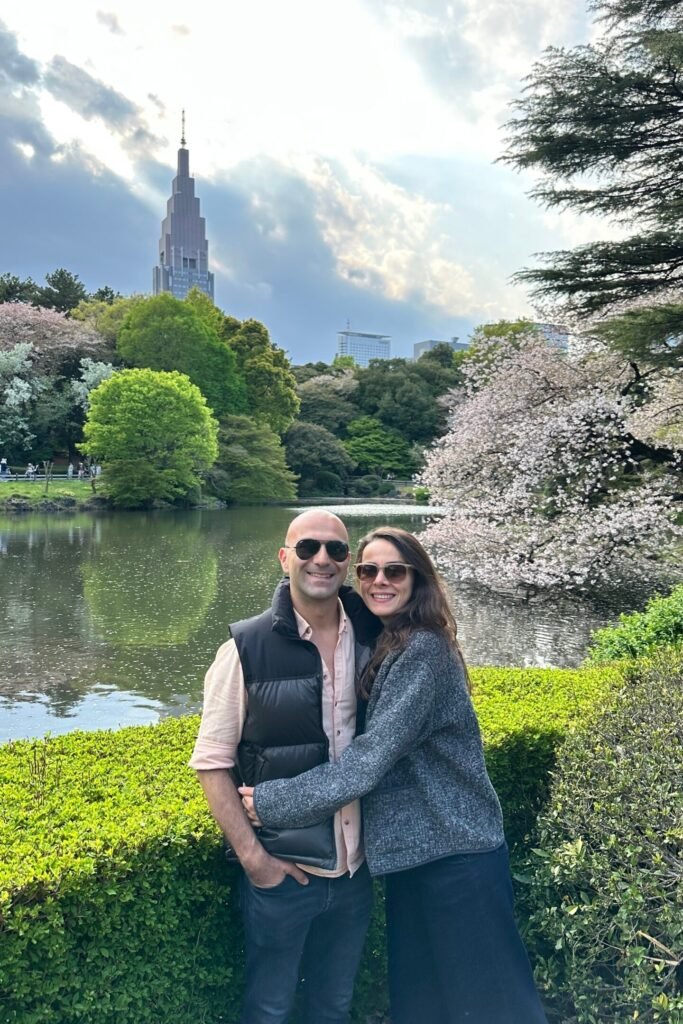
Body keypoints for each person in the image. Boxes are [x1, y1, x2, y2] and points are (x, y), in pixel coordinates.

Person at [242, 527, 548, 1024]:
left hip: (456, 857)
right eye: (367, 570)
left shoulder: (422, 652)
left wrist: (273, 802)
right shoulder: (389, 640)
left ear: (417, 580)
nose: (378, 580)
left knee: (492, 1006)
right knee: (424, 1005)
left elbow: (369, 759)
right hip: (416, 858)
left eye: (394, 571)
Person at [189, 509, 380, 1024]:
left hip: (356, 872)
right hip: (284, 872)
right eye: (308, 548)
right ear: (284, 557)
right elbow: (211, 763)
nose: (322, 559)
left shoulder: (375, 637)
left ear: (348, 562)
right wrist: (256, 861)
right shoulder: (244, 649)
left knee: (334, 1006)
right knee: (269, 1009)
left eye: (337, 550)